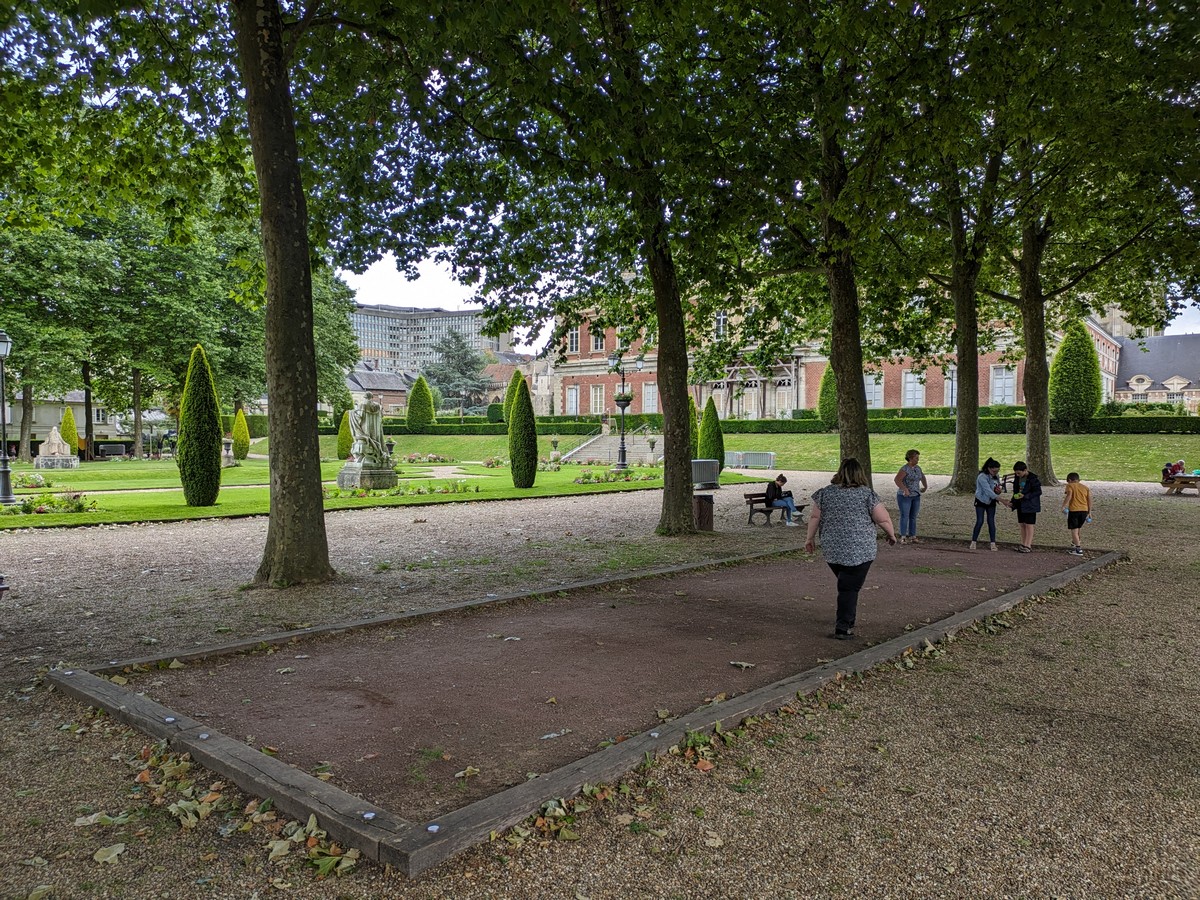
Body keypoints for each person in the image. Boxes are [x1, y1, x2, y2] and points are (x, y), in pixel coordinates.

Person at [804, 458, 898, 640]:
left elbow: (815, 517)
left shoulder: (825, 493)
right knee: (848, 588)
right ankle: (843, 628)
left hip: (833, 549)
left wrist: (809, 538)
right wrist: (891, 534)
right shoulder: (867, 495)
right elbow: (882, 519)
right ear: (860, 473)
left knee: (847, 583)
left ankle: (848, 618)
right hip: (860, 550)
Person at [893, 449, 928, 544]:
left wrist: (925, 486)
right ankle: (903, 536)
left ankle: (913, 536)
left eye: (918, 458)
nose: (918, 460)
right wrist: (905, 489)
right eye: (916, 458)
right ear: (910, 458)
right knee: (905, 515)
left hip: (916, 495)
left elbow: (922, 477)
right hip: (905, 496)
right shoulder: (905, 469)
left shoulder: (917, 468)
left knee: (913, 516)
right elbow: (897, 480)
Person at [1007, 461, 1042, 552]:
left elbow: (1038, 492)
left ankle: (1028, 545)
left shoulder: (1033, 479)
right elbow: (1016, 490)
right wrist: (1013, 502)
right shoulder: (1017, 478)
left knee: (1029, 524)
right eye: (1016, 473)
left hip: (1030, 504)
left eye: (1019, 473)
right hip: (1020, 504)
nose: (1017, 475)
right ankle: (1023, 543)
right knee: (1022, 524)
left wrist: (1025, 496)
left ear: (1025, 470)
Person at [969, 457, 1003, 551]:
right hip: (981, 500)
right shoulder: (982, 477)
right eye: (994, 471)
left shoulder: (996, 476)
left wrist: (998, 491)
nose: (996, 473)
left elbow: (996, 488)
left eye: (997, 471)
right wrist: (1001, 499)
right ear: (989, 469)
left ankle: (993, 543)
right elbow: (987, 490)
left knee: (991, 521)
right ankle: (973, 541)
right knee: (980, 521)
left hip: (991, 501)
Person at [349, 393, 388, 466]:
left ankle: (366, 457)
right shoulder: (377, 406)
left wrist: (352, 414)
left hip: (365, 428)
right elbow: (380, 417)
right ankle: (376, 455)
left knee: (364, 439)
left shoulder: (362, 405)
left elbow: (359, 417)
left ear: (364, 397)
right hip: (375, 430)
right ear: (371, 397)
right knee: (375, 440)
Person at [1062, 472, 1092, 556]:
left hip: (1074, 510)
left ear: (1070, 480)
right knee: (1078, 528)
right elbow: (1089, 500)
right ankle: (1075, 542)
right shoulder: (1085, 488)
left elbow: (1069, 496)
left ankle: (1078, 549)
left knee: (1074, 530)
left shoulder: (1070, 486)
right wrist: (1089, 512)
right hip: (1084, 510)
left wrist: (1063, 506)